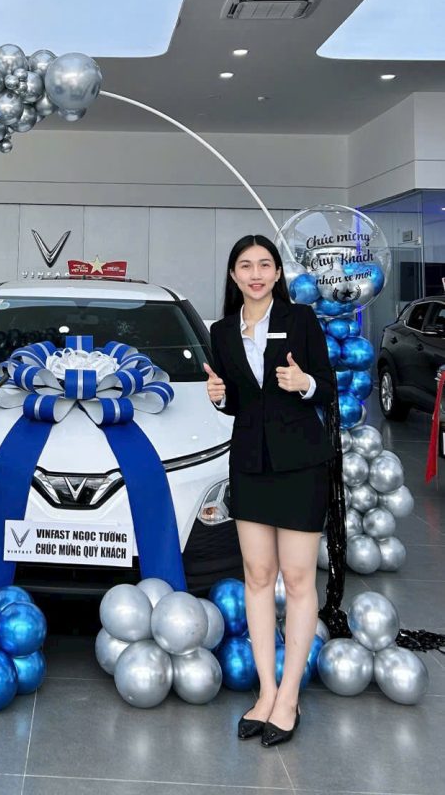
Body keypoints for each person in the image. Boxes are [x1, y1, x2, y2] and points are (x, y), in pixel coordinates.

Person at [203, 235, 334, 748]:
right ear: (233, 275)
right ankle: (266, 691)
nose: (255, 274)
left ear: (278, 273)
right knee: (257, 578)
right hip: (251, 465)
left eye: (264, 264)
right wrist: (220, 397)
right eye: (245, 265)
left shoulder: (301, 320)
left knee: (298, 580)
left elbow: (327, 387)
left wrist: (305, 383)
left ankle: (290, 696)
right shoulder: (221, 331)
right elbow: (240, 402)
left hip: (300, 465)